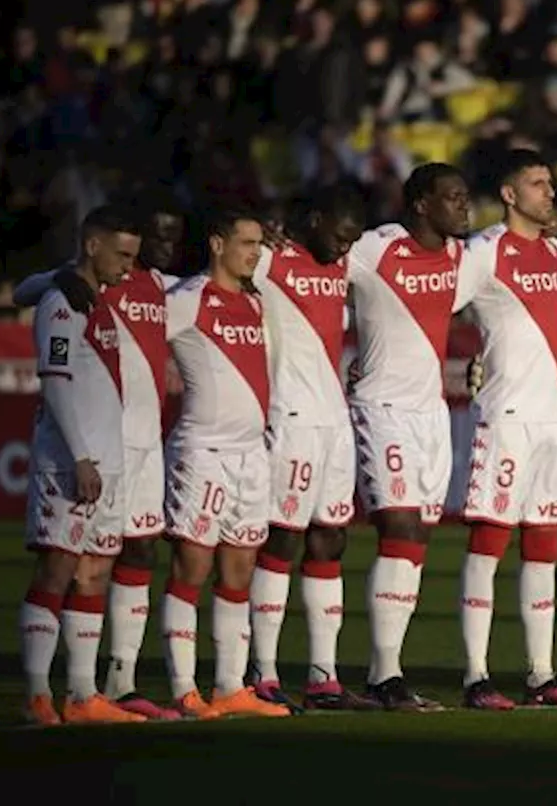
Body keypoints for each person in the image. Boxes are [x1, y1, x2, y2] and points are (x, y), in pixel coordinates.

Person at [13, 193, 185, 720]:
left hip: (109, 461)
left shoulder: (107, 296)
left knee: (94, 573)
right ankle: (39, 692)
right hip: (72, 461)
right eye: (123, 256)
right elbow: (58, 382)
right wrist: (84, 457)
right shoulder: (65, 300)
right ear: (92, 246)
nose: (131, 266)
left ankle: (84, 694)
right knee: (57, 570)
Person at [456, 148, 557, 709]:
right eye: (538, 184)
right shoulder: (484, 250)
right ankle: (476, 676)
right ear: (511, 195)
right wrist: (471, 361)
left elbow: (552, 336)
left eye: (551, 182)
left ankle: (542, 676)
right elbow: (435, 306)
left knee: (544, 546)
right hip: (507, 416)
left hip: (554, 419)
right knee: (489, 542)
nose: (551, 192)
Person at [345, 163, 478, 710]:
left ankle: (385, 673)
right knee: (398, 527)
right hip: (382, 408)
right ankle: (383, 675)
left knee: (417, 538)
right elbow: (311, 266)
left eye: (465, 197)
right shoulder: (376, 249)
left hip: (431, 415)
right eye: (453, 197)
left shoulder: (457, 258)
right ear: (421, 204)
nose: (464, 207)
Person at [246, 187, 379, 712]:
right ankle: (265, 670)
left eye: (352, 238)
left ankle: (324, 677)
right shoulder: (271, 259)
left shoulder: (341, 264)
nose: (345, 245)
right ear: (315, 218)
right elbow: (205, 278)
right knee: (281, 539)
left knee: (331, 541)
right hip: (292, 419)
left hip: (334, 422)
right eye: (340, 233)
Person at [161, 209, 289, 720]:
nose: (255, 253)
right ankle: (183, 687)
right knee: (192, 566)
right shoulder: (188, 299)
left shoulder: (257, 303)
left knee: (240, 570)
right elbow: (132, 330)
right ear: (217, 244)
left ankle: (231, 686)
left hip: (250, 454)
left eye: (259, 244)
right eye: (246, 243)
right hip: (203, 452)